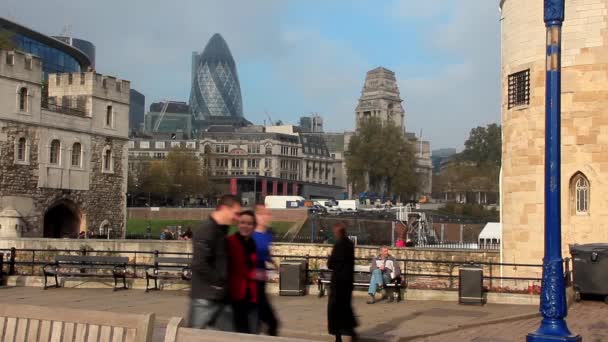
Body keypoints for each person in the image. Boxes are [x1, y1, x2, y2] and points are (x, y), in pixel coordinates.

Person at [189, 194, 242, 330]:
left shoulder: (221, 232)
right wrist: (219, 282)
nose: (237, 218)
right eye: (236, 213)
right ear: (224, 208)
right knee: (195, 337)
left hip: (219, 297)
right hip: (205, 297)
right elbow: (199, 264)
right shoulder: (207, 230)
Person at [227, 210, 258, 334]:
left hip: (251, 296)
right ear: (238, 224)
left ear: (254, 226)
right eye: (242, 223)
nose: (245, 226)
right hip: (235, 297)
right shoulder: (230, 242)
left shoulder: (253, 243)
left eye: (249, 223)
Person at [327, 222, 358, 342]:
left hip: (338, 283)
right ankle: (351, 332)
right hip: (348, 282)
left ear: (337, 232)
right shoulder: (350, 244)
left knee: (335, 310)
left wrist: (329, 258)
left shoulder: (338, 245)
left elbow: (331, 264)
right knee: (346, 308)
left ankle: (338, 336)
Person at [252, 204, 280, 336]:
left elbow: (265, 253)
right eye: (264, 214)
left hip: (261, 283)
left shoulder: (268, 234)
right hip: (251, 284)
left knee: (268, 322)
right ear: (257, 216)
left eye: (268, 214)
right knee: (268, 322)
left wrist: (275, 264)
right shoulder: (250, 235)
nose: (268, 217)